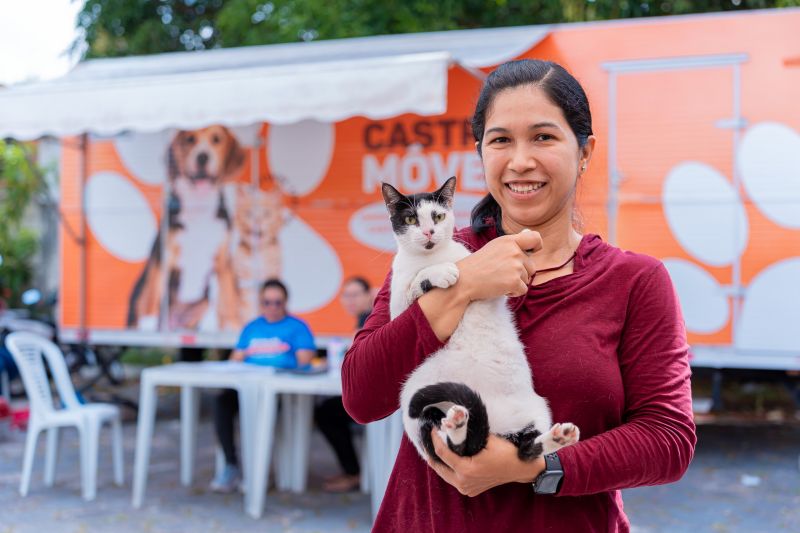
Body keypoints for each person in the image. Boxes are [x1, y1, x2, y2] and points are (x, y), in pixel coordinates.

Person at [341, 59, 696, 532]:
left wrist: (536, 467)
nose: (520, 160)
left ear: (585, 151)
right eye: (501, 140)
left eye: (543, 137)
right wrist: (465, 284)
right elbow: (362, 397)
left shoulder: (634, 280)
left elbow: (668, 440)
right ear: (480, 153)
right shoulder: (432, 257)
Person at [209, 278, 316, 493]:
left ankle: (260, 472)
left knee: (264, 415)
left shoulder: (297, 327)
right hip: (248, 387)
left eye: (277, 302)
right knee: (222, 403)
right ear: (261, 303)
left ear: (285, 302)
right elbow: (235, 359)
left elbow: (305, 360)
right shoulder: (252, 327)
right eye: (267, 302)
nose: (272, 307)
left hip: (278, 390)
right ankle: (231, 464)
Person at [314, 276, 374, 492]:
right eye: (346, 295)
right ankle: (352, 471)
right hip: (371, 390)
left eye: (356, 294)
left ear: (369, 295)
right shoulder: (364, 319)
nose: (351, 300)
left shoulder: (370, 320)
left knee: (326, 413)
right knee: (328, 411)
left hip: (377, 396)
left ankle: (353, 473)